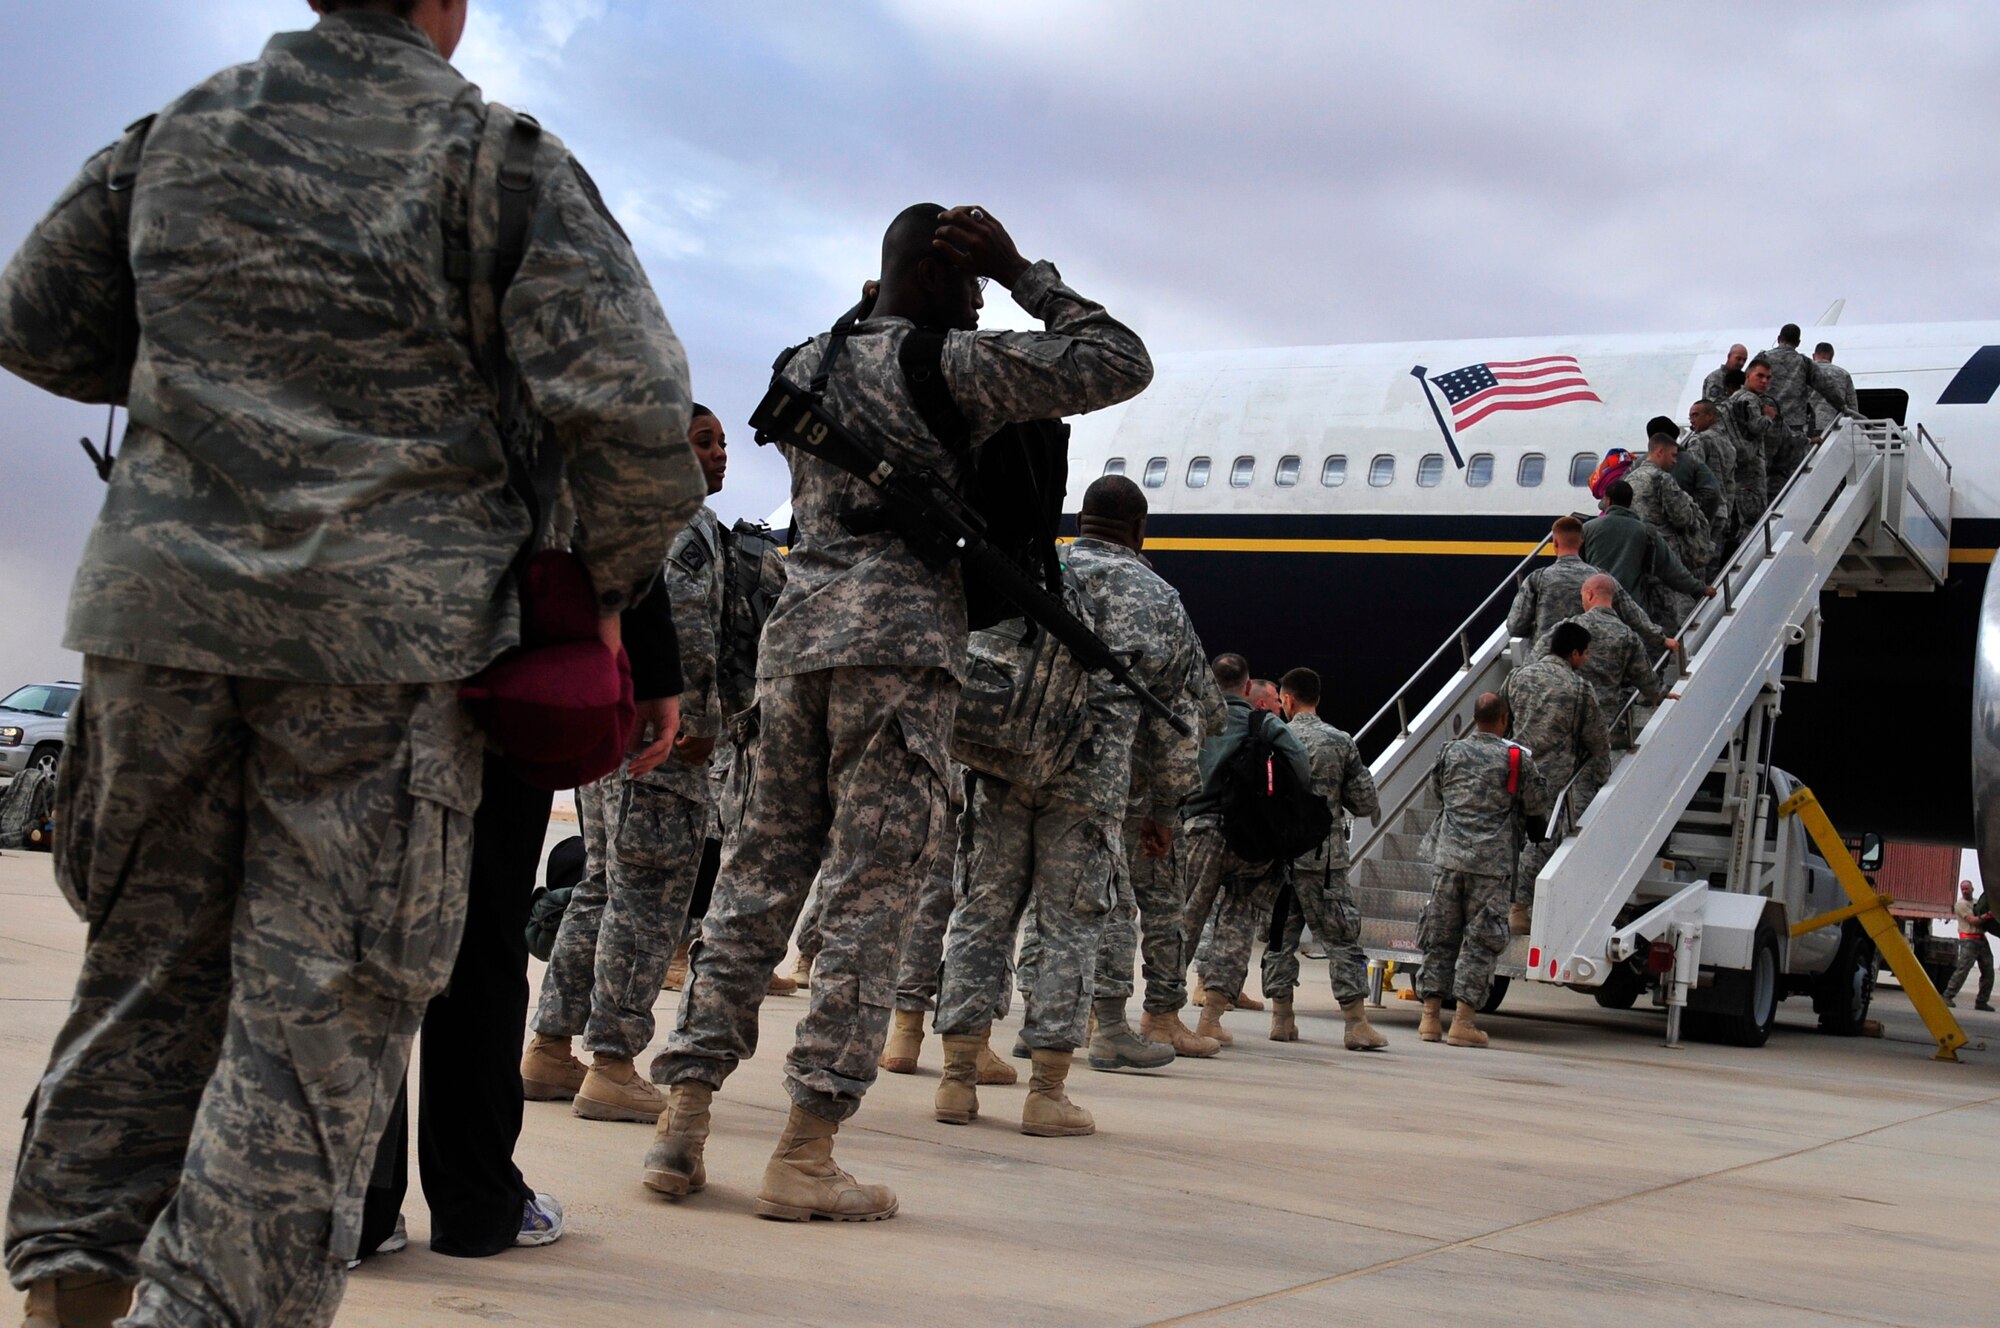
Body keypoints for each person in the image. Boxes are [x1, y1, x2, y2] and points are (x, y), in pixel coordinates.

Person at [0, 1, 703, 1322]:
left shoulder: (177, 135)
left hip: (158, 632)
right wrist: (597, 597)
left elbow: (37, 321)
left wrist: (214, 382)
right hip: (381, 656)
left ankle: (72, 1296)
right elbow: (639, 419)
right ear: (448, 4)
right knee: (314, 1029)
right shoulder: (502, 166)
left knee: (142, 981)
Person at [645, 204, 1151, 1220]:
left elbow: (857, 330)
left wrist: (888, 290)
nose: (975, 302)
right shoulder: (948, 365)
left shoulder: (802, 361)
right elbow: (1116, 359)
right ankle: (804, 1148)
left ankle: (682, 1124)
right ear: (931, 270)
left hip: (796, 645)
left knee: (755, 879)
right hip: (899, 649)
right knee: (874, 893)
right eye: (963, 283)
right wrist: (1020, 271)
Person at [359, 569, 689, 1264]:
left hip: (368, 637)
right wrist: (650, 664)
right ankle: (477, 1205)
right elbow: (622, 496)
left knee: (362, 935)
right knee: (481, 943)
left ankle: (353, 1208)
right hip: (508, 655)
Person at [522, 404, 738, 1126]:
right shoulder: (685, 527)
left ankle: (551, 1048)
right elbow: (687, 630)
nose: (719, 455)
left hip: (614, 735)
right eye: (702, 443)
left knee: (599, 887)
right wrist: (697, 727)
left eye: (723, 444)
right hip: (661, 739)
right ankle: (613, 1062)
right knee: (646, 902)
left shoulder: (631, 517)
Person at [1179, 654, 1312, 1047]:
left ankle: (1162, 1012)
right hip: (1252, 841)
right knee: (1236, 926)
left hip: (1200, 831)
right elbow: (1300, 764)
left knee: (1184, 920)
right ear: (1247, 683)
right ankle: (1211, 1018)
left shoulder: (1197, 719)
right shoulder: (1265, 723)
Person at [1261, 667, 1387, 1048]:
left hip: (1278, 858)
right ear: (1316, 699)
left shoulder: (1270, 737)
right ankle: (1356, 1024)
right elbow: (1365, 802)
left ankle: (1282, 1019)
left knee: (1279, 938)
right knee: (1341, 938)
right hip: (1324, 862)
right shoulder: (1339, 741)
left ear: (1287, 700)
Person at [1417, 693, 1547, 1048]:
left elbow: (1438, 793)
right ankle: (1462, 1023)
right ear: (1504, 719)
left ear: (1475, 719)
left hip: (1448, 859)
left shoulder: (1450, 752)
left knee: (1440, 937)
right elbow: (1535, 807)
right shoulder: (1516, 758)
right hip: (1491, 866)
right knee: (1480, 941)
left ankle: (1429, 1019)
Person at [1502, 622, 1609, 934]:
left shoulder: (1519, 675)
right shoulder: (1578, 688)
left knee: (1510, 839)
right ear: (1574, 653)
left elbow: (1499, 717)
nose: (1587, 659)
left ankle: (1496, 904)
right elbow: (1597, 740)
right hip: (1551, 779)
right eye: (1586, 653)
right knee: (1541, 842)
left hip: (1512, 769)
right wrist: (1602, 775)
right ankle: (1518, 909)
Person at [1508, 516, 1671, 656]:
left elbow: (1515, 626)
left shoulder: (1537, 579)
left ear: (1555, 543)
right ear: (1581, 542)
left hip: (1545, 664)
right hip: (1590, 662)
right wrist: (1661, 639)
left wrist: (1539, 628)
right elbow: (1632, 614)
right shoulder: (1600, 578)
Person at [1582, 481, 1715, 632]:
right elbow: (1672, 571)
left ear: (1609, 500)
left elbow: (1576, 567)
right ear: (1630, 502)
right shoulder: (1645, 531)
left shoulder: (1588, 529)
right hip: (1633, 610)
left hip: (1594, 607)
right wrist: (1700, 588)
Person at [1555, 574, 1665, 744]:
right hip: (1606, 723)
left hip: (1568, 716)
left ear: (1589, 595)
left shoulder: (1567, 627)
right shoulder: (1627, 635)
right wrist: (1659, 694)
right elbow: (1645, 678)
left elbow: (1538, 660)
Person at [1624, 434, 1713, 628]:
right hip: (1665, 556)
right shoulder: (1662, 479)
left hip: (1637, 556)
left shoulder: (1630, 479)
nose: (1674, 462)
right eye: (1673, 456)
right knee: (1680, 613)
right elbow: (1682, 518)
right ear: (1659, 452)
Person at [1727, 357, 1790, 513]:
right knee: (1755, 511)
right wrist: (1768, 417)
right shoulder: (1751, 399)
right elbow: (1756, 426)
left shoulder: (1735, 397)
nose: (1764, 381)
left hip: (1737, 463)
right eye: (1760, 376)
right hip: (1751, 465)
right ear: (1748, 376)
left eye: (1768, 378)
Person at [1681, 399, 1738, 555]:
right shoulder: (1727, 442)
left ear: (1711, 416)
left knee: (1698, 560)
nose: (1692, 420)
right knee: (1714, 560)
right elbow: (1730, 482)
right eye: (1690, 417)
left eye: (1696, 415)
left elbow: (1691, 472)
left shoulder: (1699, 440)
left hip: (1705, 510)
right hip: (1723, 510)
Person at [1761, 324, 1817, 453]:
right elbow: (1826, 387)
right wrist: (1842, 406)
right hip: (1794, 426)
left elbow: (1748, 382)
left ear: (1779, 338)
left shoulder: (1764, 358)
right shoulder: (1804, 362)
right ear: (1798, 343)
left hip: (1768, 422)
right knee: (1794, 467)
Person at [1944, 881, 1995, 1011]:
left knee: (1988, 972)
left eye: (1967, 888)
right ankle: (1947, 996)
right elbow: (1973, 921)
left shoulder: (1977, 902)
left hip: (1981, 939)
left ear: (1972, 888)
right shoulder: (1961, 905)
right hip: (1969, 940)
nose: (1965, 891)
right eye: (1962, 889)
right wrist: (1990, 914)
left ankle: (1982, 1001)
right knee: (1963, 969)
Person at [1810, 343, 1859, 437]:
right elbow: (1852, 405)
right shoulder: (1843, 374)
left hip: (1809, 428)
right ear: (1832, 356)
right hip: (1836, 427)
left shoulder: (1804, 373)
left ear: (1813, 356)